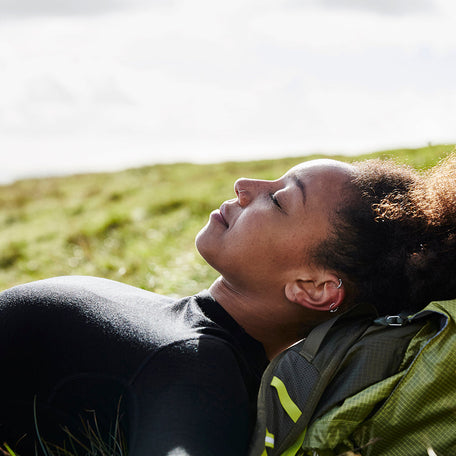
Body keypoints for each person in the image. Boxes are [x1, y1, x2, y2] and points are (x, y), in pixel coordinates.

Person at [1, 154, 455, 455]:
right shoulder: (193, 353)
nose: (244, 184)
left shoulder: (194, 372)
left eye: (278, 200)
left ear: (314, 288)